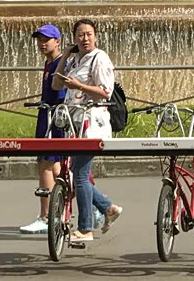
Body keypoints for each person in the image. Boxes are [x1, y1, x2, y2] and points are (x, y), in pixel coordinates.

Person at [59, 19, 121, 245]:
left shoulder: (99, 58)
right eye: (80, 35)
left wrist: (79, 86)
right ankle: (108, 208)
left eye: (88, 34)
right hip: (75, 123)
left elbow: (105, 92)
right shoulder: (76, 60)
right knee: (77, 174)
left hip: (92, 125)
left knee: (80, 175)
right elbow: (56, 84)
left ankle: (86, 228)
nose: (85, 38)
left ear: (96, 36)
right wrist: (65, 56)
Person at [20, 24, 68, 235]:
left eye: (46, 39)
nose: (42, 43)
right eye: (39, 39)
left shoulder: (60, 63)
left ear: (57, 41)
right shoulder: (49, 63)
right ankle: (98, 205)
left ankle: (46, 217)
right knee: (56, 169)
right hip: (46, 116)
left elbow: (60, 95)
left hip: (53, 118)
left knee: (45, 164)